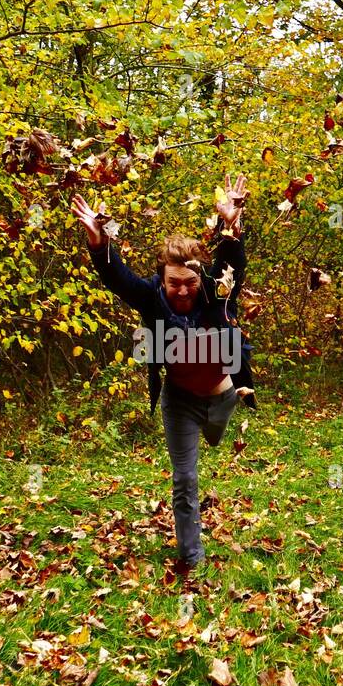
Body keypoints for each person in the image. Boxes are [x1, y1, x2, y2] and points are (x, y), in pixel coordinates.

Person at [71, 173, 256, 572]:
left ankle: (217, 427)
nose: (184, 291)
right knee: (185, 479)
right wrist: (101, 243)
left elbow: (232, 266)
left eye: (190, 282)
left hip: (223, 397)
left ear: (199, 278)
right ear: (162, 279)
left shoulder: (213, 291)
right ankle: (192, 555)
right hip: (180, 403)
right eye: (175, 284)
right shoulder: (151, 299)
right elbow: (117, 278)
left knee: (216, 438)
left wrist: (230, 226)